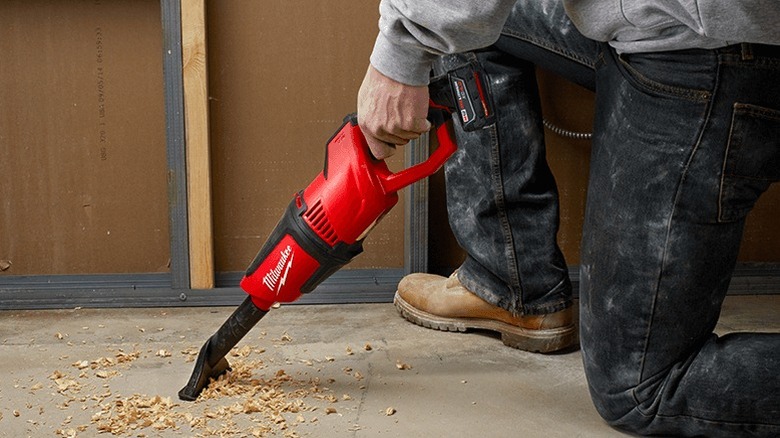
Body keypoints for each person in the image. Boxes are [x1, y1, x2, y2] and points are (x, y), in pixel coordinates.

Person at [356, 1, 780, 437]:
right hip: (689, 25)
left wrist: (400, 51)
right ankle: (512, 286)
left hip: (710, 50)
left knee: (640, 389)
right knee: (470, 30)